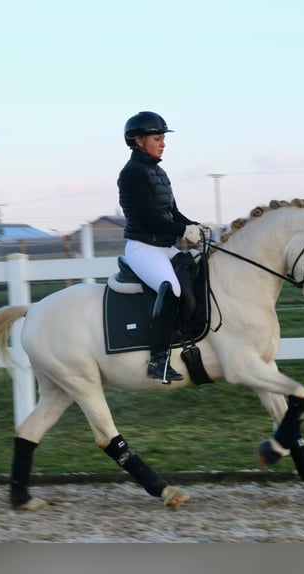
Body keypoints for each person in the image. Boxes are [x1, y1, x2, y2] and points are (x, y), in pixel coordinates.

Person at [117, 111, 203, 383]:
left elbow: (171, 212)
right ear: (138, 140)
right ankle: (158, 361)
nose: (163, 142)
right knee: (171, 289)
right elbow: (146, 218)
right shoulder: (132, 173)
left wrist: (195, 227)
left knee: (196, 271)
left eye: (163, 137)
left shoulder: (159, 171)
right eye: (157, 138)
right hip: (143, 247)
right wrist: (182, 231)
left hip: (163, 246)